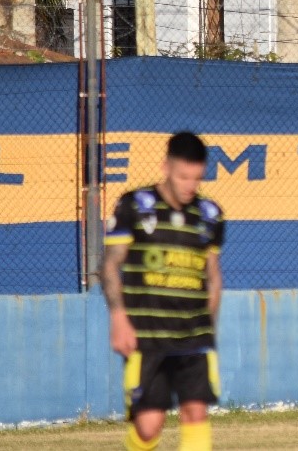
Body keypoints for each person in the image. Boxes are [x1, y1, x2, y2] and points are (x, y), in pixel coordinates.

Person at [102, 132, 225, 451]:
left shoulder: (210, 215)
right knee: (147, 427)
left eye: (196, 178)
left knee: (196, 412)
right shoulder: (134, 206)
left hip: (193, 337)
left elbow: (213, 276)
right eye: (183, 176)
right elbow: (111, 265)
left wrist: (208, 327)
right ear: (165, 167)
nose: (189, 186)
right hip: (148, 336)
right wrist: (118, 318)